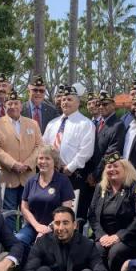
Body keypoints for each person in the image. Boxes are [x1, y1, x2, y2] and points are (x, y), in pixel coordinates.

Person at [0, 89, 43, 231]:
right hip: (8, 177)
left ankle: (28, 244)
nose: (13, 106)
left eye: (16, 103)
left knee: (30, 212)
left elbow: (39, 146)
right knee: (8, 213)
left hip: (29, 176)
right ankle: (11, 243)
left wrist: (28, 164)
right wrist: (14, 164)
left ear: (21, 105)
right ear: (5, 106)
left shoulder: (33, 124)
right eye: (10, 103)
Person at [88, 152, 136, 271]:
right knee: (97, 249)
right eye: (109, 167)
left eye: (115, 166)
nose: (112, 169)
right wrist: (102, 236)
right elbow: (91, 215)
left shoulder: (135, 188)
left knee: (116, 251)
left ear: (125, 168)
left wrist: (118, 236)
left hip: (127, 237)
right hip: (104, 236)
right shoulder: (100, 188)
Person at [43, 85, 95, 220]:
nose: (65, 102)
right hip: (51, 174)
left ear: (78, 102)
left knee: (72, 212)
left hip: (73, 174)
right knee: (51, 210)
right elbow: (44, 146)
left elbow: (86, 151)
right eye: (64, 99)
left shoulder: (86, 123)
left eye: (70, 99)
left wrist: (70, 167)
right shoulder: (52, 124)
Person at [16, 145, 74, 255]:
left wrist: (49, 228)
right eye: (40, 158)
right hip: (33, 226)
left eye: (47, 158)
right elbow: (24, 207)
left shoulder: (63, 181)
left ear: (54, 162)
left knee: (41, 243)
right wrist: (37, 226)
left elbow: (66, 210)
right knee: (18, 240)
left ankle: (38, 270)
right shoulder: (31, 181)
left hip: (56, 228)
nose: (43, 161)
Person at [86, 90, 126, 185]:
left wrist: (96, 174)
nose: (101, 107)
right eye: (99, 104)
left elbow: (110, 153)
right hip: (92, 173)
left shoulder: (118, 125)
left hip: (105, 175)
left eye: (105, 104)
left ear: (113, 105)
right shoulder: (98, 123)